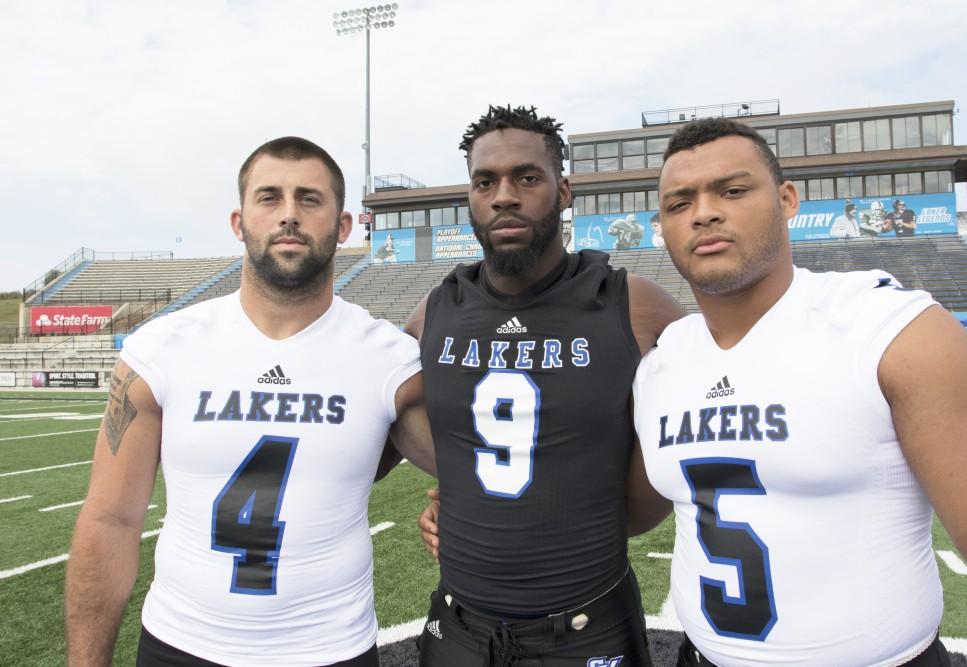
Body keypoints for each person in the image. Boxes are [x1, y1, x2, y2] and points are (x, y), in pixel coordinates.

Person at [631, 118, 967, 666]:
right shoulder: (661, 365)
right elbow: (630, 511)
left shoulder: (890, 331)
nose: (704, 212)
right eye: (679, 203)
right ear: (662, 226)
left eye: (732, 191)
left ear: (786, 200)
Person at [65, 137, 435, 667]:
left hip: (330, 650)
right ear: (239, 222)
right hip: (180, 645)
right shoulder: (161, 349)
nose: (289, 215)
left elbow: (485, 468)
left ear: (345, 225)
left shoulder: (390, 359)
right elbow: (111, 520)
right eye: (269, 198)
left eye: (309, 199)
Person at [408, 105, 685, 666]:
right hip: (459, 625)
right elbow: (381, 414)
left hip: (588, 625)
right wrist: (456, 488)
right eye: (485, 181)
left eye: (526, 178)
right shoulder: (434, 310)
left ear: (563, 191)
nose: (504, 195)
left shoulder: (632, 303)